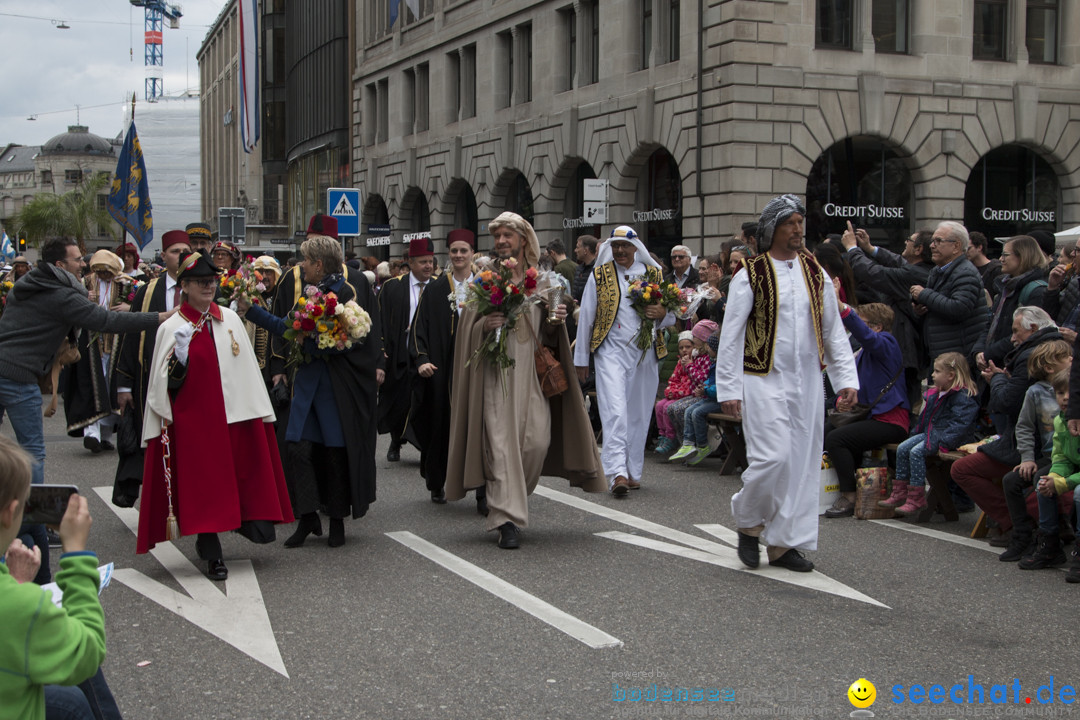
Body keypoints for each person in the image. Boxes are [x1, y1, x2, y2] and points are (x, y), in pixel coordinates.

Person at [0, 237, 170, 584]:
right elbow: (104, 322)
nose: (84, 264)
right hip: (18, 377)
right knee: (32, 453)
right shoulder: (62, 294)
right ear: (60, 266)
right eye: (78, 260)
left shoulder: (27, 283)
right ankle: (35, 525)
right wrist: (160, 317)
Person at [715, 194, 858, 572]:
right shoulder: (751, 273)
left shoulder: (816, 273)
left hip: (808, 379)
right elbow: (731, 337)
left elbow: (834, 331)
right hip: (761, 378)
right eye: (789, 223)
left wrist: (845, 380)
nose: (797, 230)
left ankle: (783, 544)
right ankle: (748, 523)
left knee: (801, 463)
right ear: (771, 229)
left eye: (800, 223)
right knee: (772, 458)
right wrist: (729, 389)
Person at [446, 212, 605, 549]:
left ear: (523, 239)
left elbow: (552, 330)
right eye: (498, 235)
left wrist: (557, 318)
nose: (502, 241)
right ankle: (506, 518)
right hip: (493, 376)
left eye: (508, 235)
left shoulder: (546, 282)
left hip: (531, 377)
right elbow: (467, 332)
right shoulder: (483, 281)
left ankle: (509, 497)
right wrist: (484, 327)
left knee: (536, 443)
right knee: (500, 446)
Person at [136, 252, 293, 579]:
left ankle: (245, 525)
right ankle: (211, 552)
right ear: (185, 286)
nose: (208, 287)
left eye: (211, 281)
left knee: (238, 479)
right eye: (200, 282)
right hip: (193, 424)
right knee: (204, 490)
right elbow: (164, 386)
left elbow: (246, 370)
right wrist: (179, 360)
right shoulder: (173, 327)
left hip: (234, 417)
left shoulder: (230, 320)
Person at [248, 230, 384, 549]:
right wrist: (251, 309)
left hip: (336, 386)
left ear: (319, 264)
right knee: (297, 448)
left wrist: (319, 341)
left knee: (334, 453)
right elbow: (286, 326)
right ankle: (308, 517)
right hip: (308, 382)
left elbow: (360, 338)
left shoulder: (347, 292)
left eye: (306, 260)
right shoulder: (310, 293)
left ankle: (337, 520)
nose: (302, 265)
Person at [0, 435, 122, 720]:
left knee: (70, 701)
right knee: (77, 694)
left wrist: (14, 582)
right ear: (10, 513)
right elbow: (87, 652)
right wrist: (75, 553)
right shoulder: (20, 606)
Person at [575, 225, 675, 496]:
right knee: (615, 411)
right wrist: (581, 358)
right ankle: (617, 472)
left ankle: (632, 472)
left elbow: (672, 317)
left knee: (640, 414)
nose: (620, 251)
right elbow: (586, 317)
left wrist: (662, 311)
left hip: (646, 354)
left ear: (636, 248)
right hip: (611, 353)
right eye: (616, 246)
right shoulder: (600, 275)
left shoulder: (654, 274)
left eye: (625, 246)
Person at [952, 341, 1070, 557]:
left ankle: (1051, 539)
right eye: (1067, 358)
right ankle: (1021, 533)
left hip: (1067, 458)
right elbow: (1023, 428)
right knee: (1012, 480)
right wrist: (1026, 458)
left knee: (1042, 481)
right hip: (1045, 455)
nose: (1072, 360)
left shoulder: (1074, 391)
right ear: (1050, 367)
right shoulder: (1035, 392)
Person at [113, 230, 193, 508]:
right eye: (174, 251)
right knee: (153, 439)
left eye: (186, 250)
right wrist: (123, 384)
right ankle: (156, 498)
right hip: (150, 376)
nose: (180, 255)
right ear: (163, 255)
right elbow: (130, 336)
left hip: (190, 380)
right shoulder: (147, 292)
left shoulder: (201, 287)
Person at [412, 229, 484, 508]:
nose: (458, 256)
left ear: (472, 253)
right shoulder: (436, 289)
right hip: (443, 368)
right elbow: (419, 327)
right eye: (454, 251)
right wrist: (421, 359)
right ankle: (436, 480)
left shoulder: (485, 285)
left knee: (480, 426)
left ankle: (482, 491)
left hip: (477, 366)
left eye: (463, 250)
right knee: (440, 424)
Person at [822, 303, 909, 518]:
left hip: (891, 420)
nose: (855, 330)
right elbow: (857, 390)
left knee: (837, 439)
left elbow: (867, 337)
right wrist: (840, 402)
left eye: (863, 323)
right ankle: (850, 487)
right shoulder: (864, 354)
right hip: (871, 416)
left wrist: (842, 307)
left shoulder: (887, 343)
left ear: (877, 327)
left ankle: (849, 495)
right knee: (827, 430)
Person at [842, 227, 934, 408]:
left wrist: (853, 249)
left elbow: (873, 273)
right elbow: (897, 261)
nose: (906, 242)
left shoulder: (914, 274)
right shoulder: (921, 269)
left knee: (900, 399)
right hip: (907, 348)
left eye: (909, 239)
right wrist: (870, 249)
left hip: (905, 350)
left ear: (918, 249)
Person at [880, 352, 979, 516]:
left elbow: (960, 425)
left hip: (949, 438)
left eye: (937, 371)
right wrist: (916, 433)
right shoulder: (937, 393)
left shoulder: (963, 397)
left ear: (951, 375)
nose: (932, 375)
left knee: (916, 452)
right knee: (903, 447)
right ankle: (900, 491)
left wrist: (944, 443)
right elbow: (926, 418)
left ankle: (916, 496)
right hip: (932, 433)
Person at [62, 250, 134, 454]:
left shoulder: (126, 284)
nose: (103, 276)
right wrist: (82, 297)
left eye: (107, 272)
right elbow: (69, 307)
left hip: (116, 342)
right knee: (91, 385)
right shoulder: (83, 284)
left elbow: (138, 307)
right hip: (90, 344)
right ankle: (91, 433)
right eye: (99, 272)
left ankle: (105, 436)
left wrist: (129, 307)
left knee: (111, 386)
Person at [378, 236, 436, 462]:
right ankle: (396, 441)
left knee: (424, 402)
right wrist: (380, 350)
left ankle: (424, 445)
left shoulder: (439, 287)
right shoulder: (393, 287)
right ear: (410, 263)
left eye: (431, 261)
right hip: (399, 353)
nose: (428, 266)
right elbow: (380, 319)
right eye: (423, 262)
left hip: (427, 353)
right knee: (399, 402)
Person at [1019, 369, 1077, 573]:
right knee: (1042, 482)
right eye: (1060, 393)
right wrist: (1053, 477)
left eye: (1072, 392)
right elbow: (1061, 457)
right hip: (1074, 469)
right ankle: (1050, 544)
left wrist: (1062, 483)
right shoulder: (1061, 420)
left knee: (1078, 493)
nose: (1066, 397)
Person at [910, 221, 988, 367]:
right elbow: (936, 307)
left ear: (956, 246)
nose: (932, 246)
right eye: (933, 241)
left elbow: (959, 308)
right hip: (941, 355)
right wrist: (919, 310)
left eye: (938, 241)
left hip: (957, 359)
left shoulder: (965, 273)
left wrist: (924, 295)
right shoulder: (938, 270)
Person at [973, 235, 1049, 367]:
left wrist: (988, 354)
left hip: (1014, 365)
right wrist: (978, 350)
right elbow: (990, 323)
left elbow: (1024, 335)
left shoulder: (1036, 290)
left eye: (1005, 255)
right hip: (994, 362)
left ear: (1023, 257)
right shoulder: (1006, 287)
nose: (1001, 259)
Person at [668, 334, 722, 466]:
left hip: (719, 400)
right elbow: (708, 381)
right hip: (708, 395)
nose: (706, 348)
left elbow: (720, 385)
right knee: (689, 410)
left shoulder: (716, 363)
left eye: (709, 346)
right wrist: (705, 387)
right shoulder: (713, 361)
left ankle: (702, 445)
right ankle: (687, 444)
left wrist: (706, 388)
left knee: (696, 413)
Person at [653, 330, 701, 455]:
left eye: (688, 347)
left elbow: (692, 384)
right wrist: (670, 391)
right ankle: (662, 435)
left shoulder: (695, 362)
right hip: (677, 393)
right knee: (659, 405)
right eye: (681, 348)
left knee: (667, 407)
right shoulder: (680, 362)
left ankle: (671, 436)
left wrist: (677, 393)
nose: (684, 350)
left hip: (687, 395)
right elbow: (674, 379)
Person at [967, 231, 1002, 298]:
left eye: (969, 248)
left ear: (979, 247)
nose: (966, 252)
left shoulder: (996, 270)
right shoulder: (967, 269)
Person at [571, 234, 598, 304]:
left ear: (586, 250)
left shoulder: (597, 270)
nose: (575, 250)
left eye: (577, 247)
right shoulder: (578, 269)